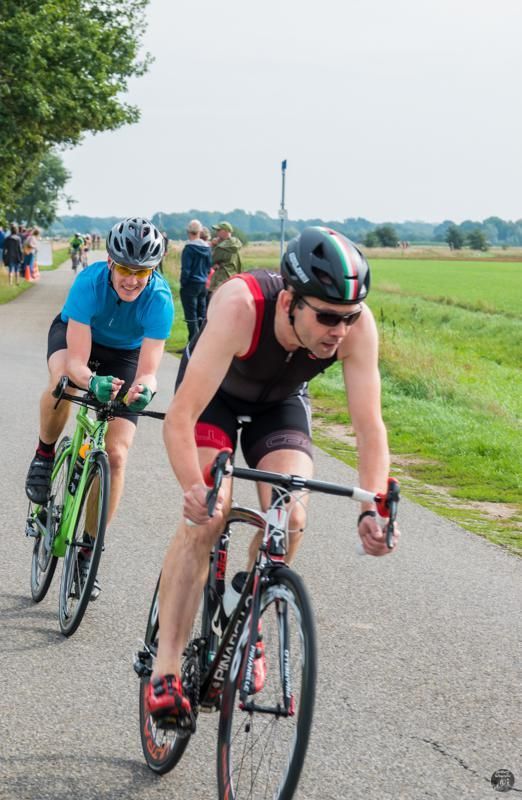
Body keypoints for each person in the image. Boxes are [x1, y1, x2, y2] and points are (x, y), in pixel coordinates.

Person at [148, 226, 400, 726]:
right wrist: (195, 490)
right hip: (213, 398)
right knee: (210, 515)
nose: (339, 331)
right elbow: (180, 417)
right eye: (327, 317)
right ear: (289, 300)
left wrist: (372, 507)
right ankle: (167, 667)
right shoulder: (241, 305)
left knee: (292, 511)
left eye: (348, 318)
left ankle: (251, 613)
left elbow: (369, 427)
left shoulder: (356, 326)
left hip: (280, 405)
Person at [24, 217, 174, 599]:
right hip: (77, 341)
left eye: (143, 271)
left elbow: (151, 371)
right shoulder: (89, 283)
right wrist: (91, 383)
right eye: (125, 268)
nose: (133, 279)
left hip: (125, 355)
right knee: (62, 383)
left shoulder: (159, 299)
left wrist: (144, 390)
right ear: (110, 262)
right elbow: (77, 362)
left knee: (118, 455)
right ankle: (44, 454)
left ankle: (89, 549)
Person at [179, 219, 212, 343]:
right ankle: (201, 342)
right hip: (203, 284)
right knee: (201, 314)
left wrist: (183, 283)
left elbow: (186, 269)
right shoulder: (207, 248)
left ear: (189, 232)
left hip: (190, 284)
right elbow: (209, 267)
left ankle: (193, 343)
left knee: (191, 316)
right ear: (200, 232)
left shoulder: (188, 248)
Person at [208, 221, 242, 294]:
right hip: (234, 277)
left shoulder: (221, 248)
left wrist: (212, 246)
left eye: (219, 230)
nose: (217, 233)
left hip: (221, 279)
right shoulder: (236, 243)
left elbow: (210, 261)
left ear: (226, 231)